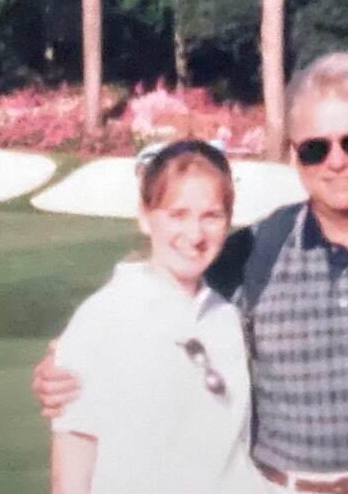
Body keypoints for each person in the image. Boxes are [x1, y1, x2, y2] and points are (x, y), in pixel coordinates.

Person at [34, 52, 348, 494]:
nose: (336, 162)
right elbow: (164, 289)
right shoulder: (254, 252)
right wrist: (71, 357)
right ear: (294, 155)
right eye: (315, 149)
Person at [49, 140, 267, 493]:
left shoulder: (225, 316)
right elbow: (74, 454)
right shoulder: (104, 316)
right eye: (177, 214)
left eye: (211, 216)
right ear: (145, 216)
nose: (195, 235)